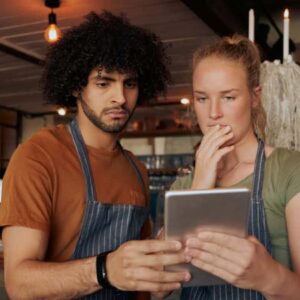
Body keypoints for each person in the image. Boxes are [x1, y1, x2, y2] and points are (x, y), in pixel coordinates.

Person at [0, 12, 191, 300]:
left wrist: (162, 269)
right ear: (78, 86)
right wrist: (104, 270)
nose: (120, 97)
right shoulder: (37, 156)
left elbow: (142, 288)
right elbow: (19, 284)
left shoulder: (136, 169)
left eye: (129, 83)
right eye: (104, 83)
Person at [169, 35, 300, 299]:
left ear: (254, 97)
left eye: (228, 97)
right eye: (202, 98)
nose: (213, 113)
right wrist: (200, 188)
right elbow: (161, 286)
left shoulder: (289, 169)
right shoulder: (184, 185)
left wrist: (269, 276)